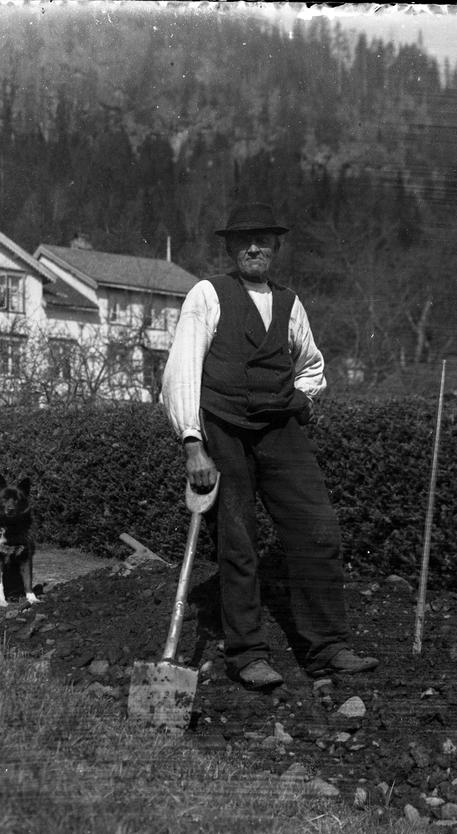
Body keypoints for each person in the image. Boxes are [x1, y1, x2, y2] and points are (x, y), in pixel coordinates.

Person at [161, 202, 378, 691]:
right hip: (224, 430)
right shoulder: (208, 294)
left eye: (262, 240)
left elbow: (313, 364)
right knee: (237, 542)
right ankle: (248, 653)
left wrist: (299, 398)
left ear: (276, 247)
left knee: (318, 528)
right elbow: (182, 370)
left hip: (279, 428)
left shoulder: (289, 302)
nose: (254, 248)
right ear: (231, 248)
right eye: (243, 241)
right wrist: (193, 443)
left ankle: (327, 647)